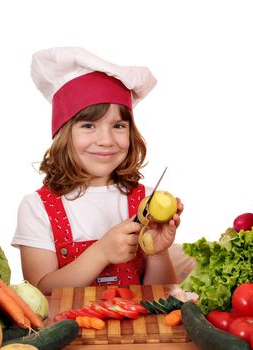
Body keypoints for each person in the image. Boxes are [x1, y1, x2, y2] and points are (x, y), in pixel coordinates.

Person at [12, 47, 184, 295]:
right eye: (89, 125)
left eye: (118, 125)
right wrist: (102, 252)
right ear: (63, 134)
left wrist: (157, 252)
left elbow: (164, 294)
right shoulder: (37, 207)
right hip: (70, 332)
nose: (106, 140)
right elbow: (40, 292)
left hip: (135, 332)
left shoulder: (144, 201)